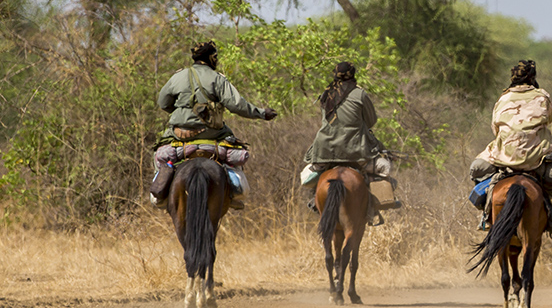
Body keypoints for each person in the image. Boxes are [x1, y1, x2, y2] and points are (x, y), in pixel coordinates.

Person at [150, 40, 277, 209]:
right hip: (214, 135)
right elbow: (237, 106)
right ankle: (233, 194)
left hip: (179, 134)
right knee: (234, 154)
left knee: (158, 155)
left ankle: (161, 196)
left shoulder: (177, 77)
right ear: (212, 58)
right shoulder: (217, 79)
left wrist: (182, 115)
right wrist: (261, 113)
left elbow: (163, 103)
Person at [469, 59, 552, 232]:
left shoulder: (503, 98)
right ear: (533, 77)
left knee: (476, 169)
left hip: (504, 157)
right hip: (535, 158)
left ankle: (486, 216)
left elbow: (495, 129)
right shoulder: (542, 96)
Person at [300, 61, 399, 226]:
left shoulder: (326, 94)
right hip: (357, 153)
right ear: (353, 75)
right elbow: (371, 121)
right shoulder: (360, 94)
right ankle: (375, 205)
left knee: (311, 174)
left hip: (325, 153)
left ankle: (314, 199)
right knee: (385, 167)